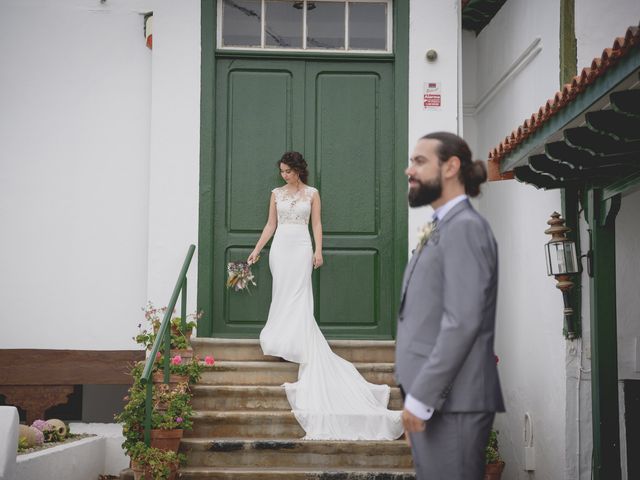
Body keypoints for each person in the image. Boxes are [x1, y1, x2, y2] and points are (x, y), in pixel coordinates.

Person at [248, 151, 403, 441]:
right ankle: (281, 342)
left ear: (298, 171)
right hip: (281, 248)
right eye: (281, 171)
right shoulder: (276, 194)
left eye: (287, 171)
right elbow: (271, 224)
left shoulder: (312, 194)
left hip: (302, 247)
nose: (284, 175)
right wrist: (258, 249)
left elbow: (316, 224)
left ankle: (297, 343)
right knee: (282, 294)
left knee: (299, 295)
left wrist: (318, 250)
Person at [395, 132, 505, 479]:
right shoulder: (442, 225)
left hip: (453, 403)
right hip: (439, 405)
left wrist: (422, 397)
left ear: (451, 167)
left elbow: (462, 321)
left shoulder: (466, 228)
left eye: (419, 161)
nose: (408, 170)